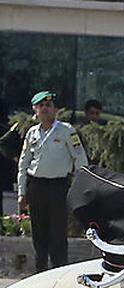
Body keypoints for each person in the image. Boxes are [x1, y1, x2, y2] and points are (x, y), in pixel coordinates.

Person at [17, 91, 88, 272]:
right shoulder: (32, 133)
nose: (45, 109)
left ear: (54, 109)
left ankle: (59, 273)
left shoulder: (66, 131)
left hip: (58, 187)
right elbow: (23, 164)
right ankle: (39, 273)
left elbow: (80, 159)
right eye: (41, 106)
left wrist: (81, 187)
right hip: (37, 187)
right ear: (35, 110)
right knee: (38, 235)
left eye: (48, 106)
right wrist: (21, 192)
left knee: (57, 234)